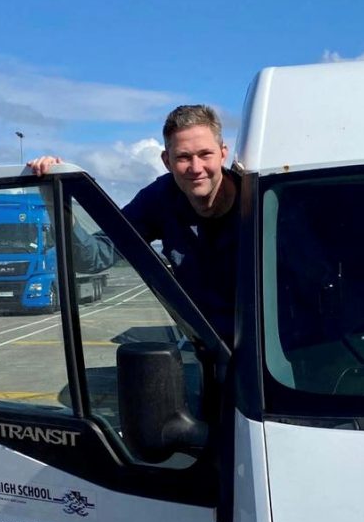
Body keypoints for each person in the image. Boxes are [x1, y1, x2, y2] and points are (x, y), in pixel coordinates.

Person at [28, 104, 239, 344]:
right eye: (183, 157)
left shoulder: (260, 199)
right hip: (210, 350)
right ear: (166, 161)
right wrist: (56, 200)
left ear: (223, 153)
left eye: (205, 154)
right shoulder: (160, 199)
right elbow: (95, 256)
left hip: (272, 352)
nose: (196, 167)